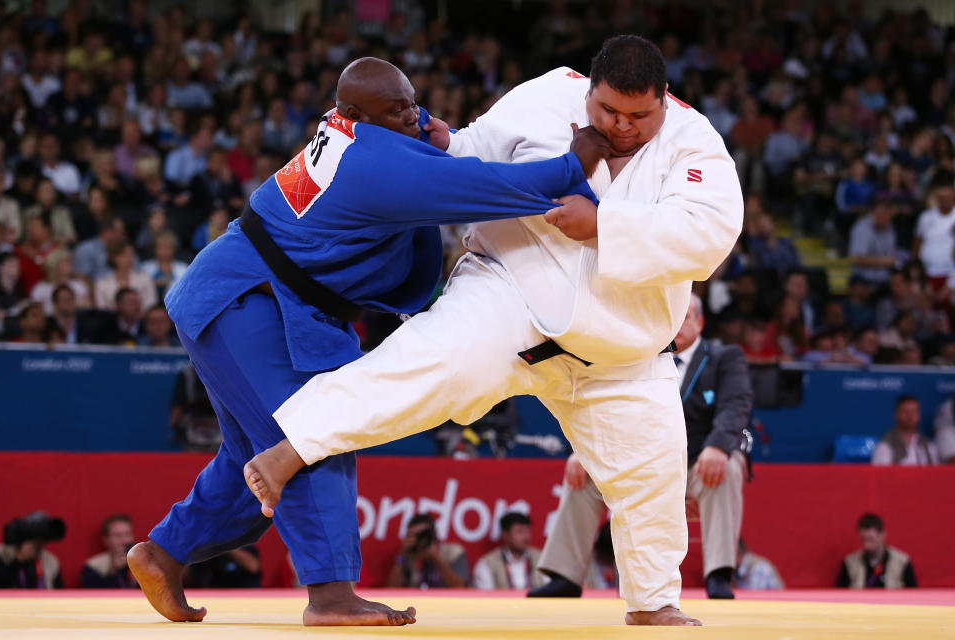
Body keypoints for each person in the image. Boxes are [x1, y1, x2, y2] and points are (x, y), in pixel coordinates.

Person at [246, 36, 743, 626]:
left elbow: (710, 235)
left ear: (664, 100)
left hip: (622, 352)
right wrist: (447, 144)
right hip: (512, 289)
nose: (623, 126)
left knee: (653, 471)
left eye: (640, 115)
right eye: (608, 110)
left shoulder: (696, 144)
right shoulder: (547, 94)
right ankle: (292, 446)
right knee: (430, 362)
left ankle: (653, 603)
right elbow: (477, 145)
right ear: (589, 88)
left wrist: (603, 225)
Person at [126, 57, 606, 628]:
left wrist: (429, 124)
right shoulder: (371, 162)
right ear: (354, 113)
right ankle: (330, 596)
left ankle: (162, 555)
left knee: (251, 458)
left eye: (411, 103)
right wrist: (576, 162)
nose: (411, 116)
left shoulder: (357, 130)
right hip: (249, 299)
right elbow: (489, 187)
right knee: (309, 434)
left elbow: (409, 125)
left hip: (246, 293)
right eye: (397, 110)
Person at [527, 294, 751, 600]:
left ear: (700, 323)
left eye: (686, 316)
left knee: (728, 464)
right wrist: (583, 451)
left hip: (696, 461)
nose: (678, 322)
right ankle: (564, 574)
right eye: (674, 314)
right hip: (642, 459)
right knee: (583, 469)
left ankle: (719, 574)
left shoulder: (724, 357)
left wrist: (719, 447)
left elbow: (735, 406)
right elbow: (608, 406)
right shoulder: (638, 354)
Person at [385, 513, 469, 589]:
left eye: (423, 535)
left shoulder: (453, 552)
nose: (419, 539)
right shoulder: (408, 556)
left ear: (434, 534)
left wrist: (437, 558)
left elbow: (459, 587)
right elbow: (392, 589)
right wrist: (401, 554)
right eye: (414, 535)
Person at [837, 513, 917, 588]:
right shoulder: (850, 562)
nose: (866, 545)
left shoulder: (902, 562)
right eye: (863, 540)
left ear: (883, 535)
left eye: (871, 540)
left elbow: (914, 595)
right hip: (860, 603)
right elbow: (840, 595)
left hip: (891, 603)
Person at [472, 512, 545, 590]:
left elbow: (551, 591)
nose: (526, 537)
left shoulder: (542, 559)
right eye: (519, 532)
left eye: (527, 531)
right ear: (505, 535)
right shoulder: (487, 563)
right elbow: (485, 598)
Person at [0, 512, 66, 589]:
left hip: (42, 600)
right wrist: (19, 559)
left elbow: (59, 593)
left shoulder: (50, 561)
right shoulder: (1, 554)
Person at [871, 395, 939, 465]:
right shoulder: (885, 445)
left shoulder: (929, 445)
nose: (910, 416)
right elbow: (880, 474)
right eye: (905, 411)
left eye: (913, 411)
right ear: (896, 414)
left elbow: (936, 473)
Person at [81, 514, 137, 588]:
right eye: (117, 536)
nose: (124, 541)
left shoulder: (145, 560)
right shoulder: (94, 566)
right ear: (105, 540)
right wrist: (113, 571)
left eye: (127, 534)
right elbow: (95, 595)